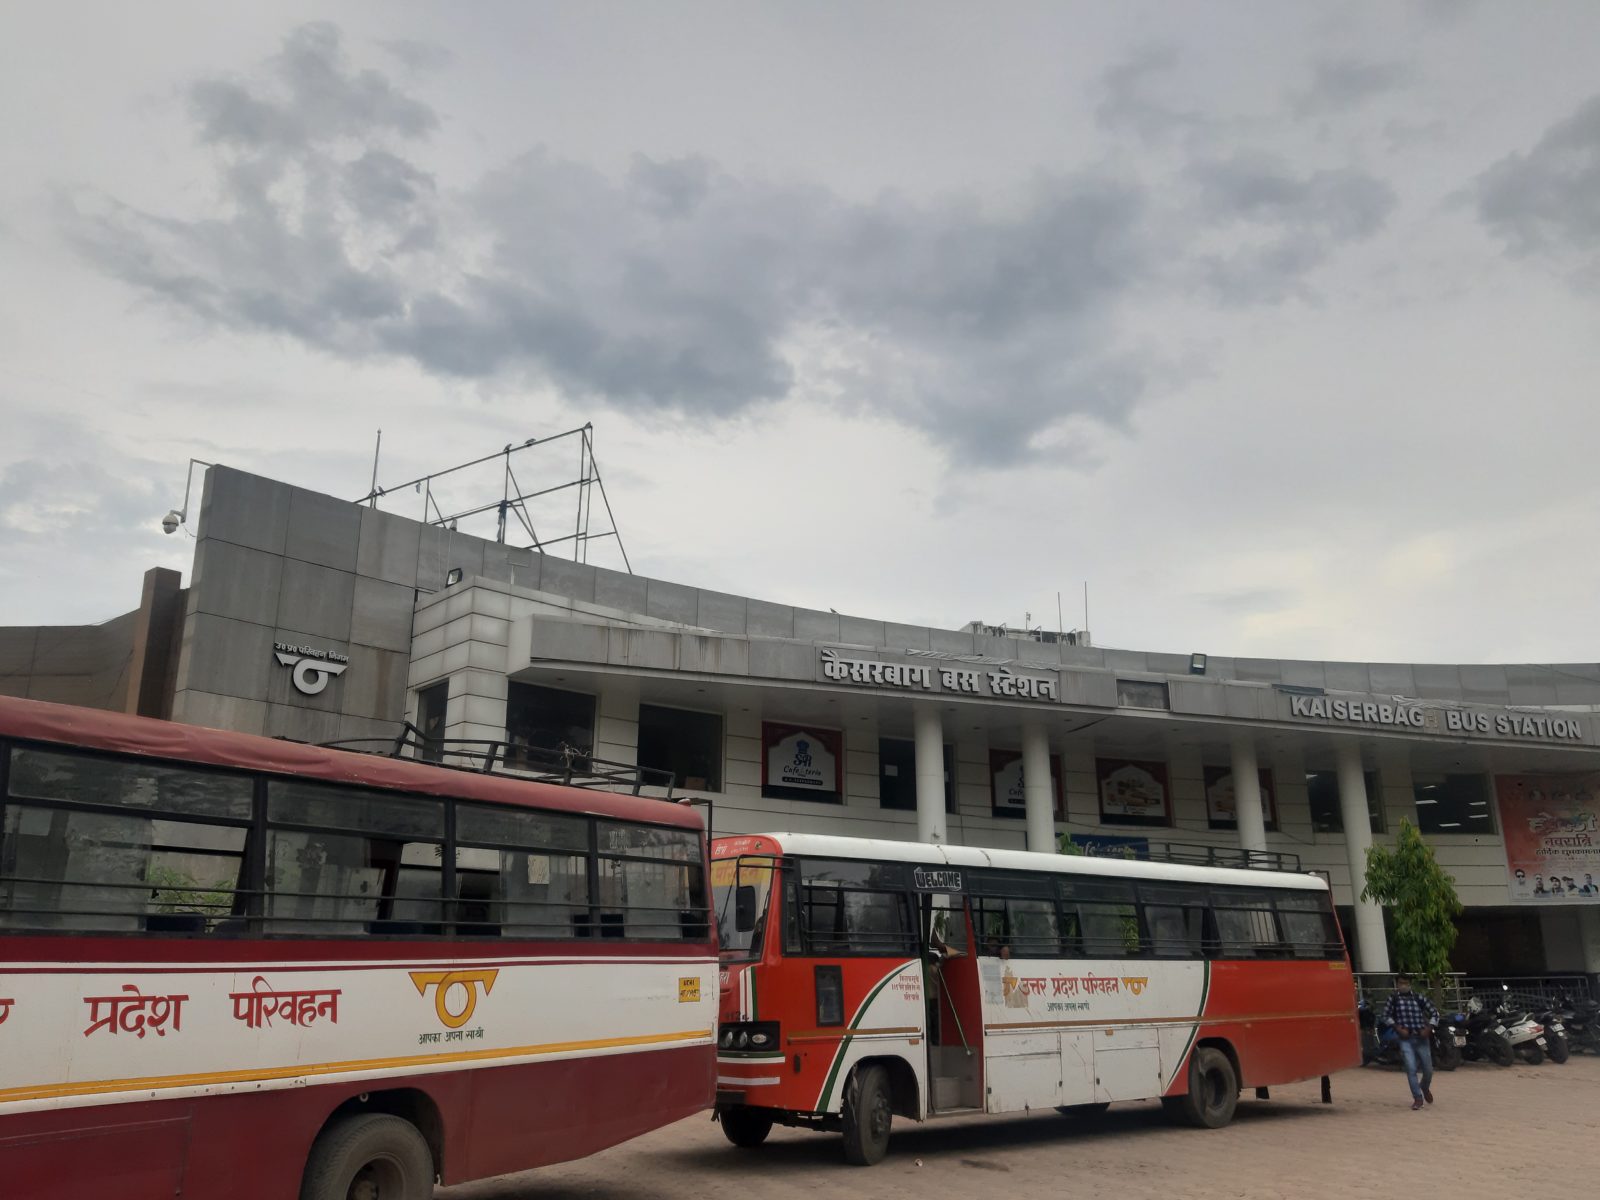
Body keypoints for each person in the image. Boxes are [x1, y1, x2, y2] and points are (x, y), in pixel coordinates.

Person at [1382, 975, 1440, 1111]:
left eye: (1406, 983)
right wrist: (1397, 1028)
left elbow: (1434, 1013)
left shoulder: (1418, 998)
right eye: (1401, 983)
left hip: (1421, 1037)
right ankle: (1417, 1098)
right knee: (1411, 1068)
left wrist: (1429, 1028)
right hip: (1405, 1039)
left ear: (1410, 984)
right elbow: (1385, 1016)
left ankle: (1424, 1087)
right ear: (1397, 984)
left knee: (1428, 1069)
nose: (1403, 985)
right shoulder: (1393, 999)